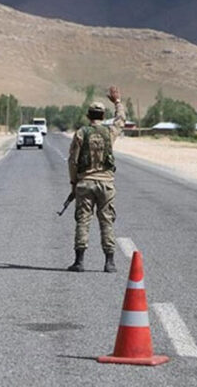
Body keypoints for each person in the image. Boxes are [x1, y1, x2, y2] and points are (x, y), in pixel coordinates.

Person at [67, 86, 126, 273]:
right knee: (106, 221)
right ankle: (109, 262)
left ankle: (79, 261)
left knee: (83, 220)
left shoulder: (81, 133)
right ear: (102, 115)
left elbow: (72, 161)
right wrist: (117, 102)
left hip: (85, 183)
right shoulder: (109, 133)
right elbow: (121, 120)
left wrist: (73, 183)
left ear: (88, 115)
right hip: (106, 184)